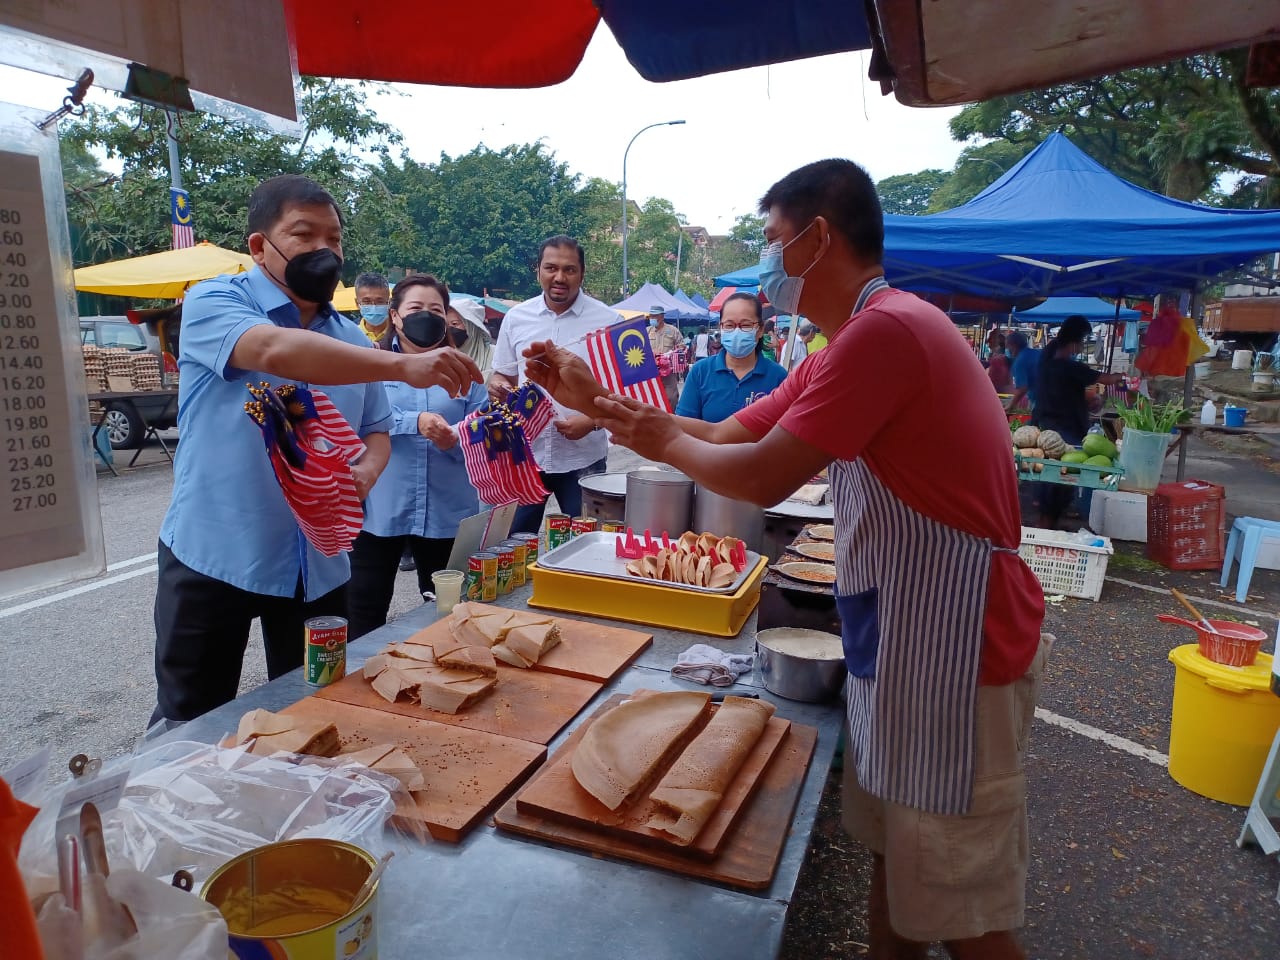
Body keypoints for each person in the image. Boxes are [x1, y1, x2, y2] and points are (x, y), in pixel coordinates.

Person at [524, 158, 1047, 960]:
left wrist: (651, 435)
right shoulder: (841, 345)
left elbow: (764, 473)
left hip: (957, 645)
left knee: (962, 905)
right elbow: (730, 434)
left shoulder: (888, 333)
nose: (766, 264)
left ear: (817, 239)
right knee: (898, 859)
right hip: (901, 634)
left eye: (772, 241)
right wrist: (590, 395)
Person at [153, 175, 482, 723]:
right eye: (304, 235)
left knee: (313, 709)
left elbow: (376, 428)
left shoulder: (353, 342)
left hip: (321, 561)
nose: (324, 251)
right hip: (215, 553)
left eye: (335, 239)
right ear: (260, 246)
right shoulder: (215, 301)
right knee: (192, 718)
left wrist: (368, 472)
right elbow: (274, 349)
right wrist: (403, 362)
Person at [347, 275, 489, 639]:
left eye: (435, 310)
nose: (425, 317)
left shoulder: (466, 374)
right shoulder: (371, 366)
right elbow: (354, 421)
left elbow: (484, 436)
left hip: (447, 512)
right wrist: (416, 422)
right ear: (395, 316)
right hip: (380, 510)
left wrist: (453, 441)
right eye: (415, 309)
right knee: (363, 608)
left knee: (449, 611)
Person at [488, 235, 615, 535]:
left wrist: (592, 420)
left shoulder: (609, 321)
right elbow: (503, 375)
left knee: (590, 544)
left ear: (582, 273)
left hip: (583, 457)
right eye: (551, 268)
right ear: (539, 271)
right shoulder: (516, 318)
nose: (559, 277)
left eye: (569, 269)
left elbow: (622, 393)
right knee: (514, 545)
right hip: (526, 455)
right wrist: (497, 385)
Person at [1033, 314, 1127, 529]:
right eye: (1083, 340)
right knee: (1058, 483)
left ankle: (1046, 525)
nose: (1083, 345)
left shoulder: (1048, 359)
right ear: (1076, 341)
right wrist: (1122, 377)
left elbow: (1065, 392)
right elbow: (1106, 379)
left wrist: (1089, 401)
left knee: (1052, 483)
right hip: (1064, 430)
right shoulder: (1067, 366)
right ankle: (1046, 528)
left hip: (1047, 425)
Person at [675, 292, 788, 423]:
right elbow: (684, 425)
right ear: (721, 327)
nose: (736, 332)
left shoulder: (778, 377)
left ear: (760, 329)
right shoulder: (700, 372)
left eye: (746, 325)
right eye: (729, 325)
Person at [646, 305, 685, 408]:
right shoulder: (647, 331)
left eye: (655, 316)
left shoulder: (672, 330)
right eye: (651, 316)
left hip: (668, 371)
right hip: (651, 371)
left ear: (662, 317)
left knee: (671, 397)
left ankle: (671, 416)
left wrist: (673, 354)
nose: (652, 318)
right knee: (651, 397)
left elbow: (682, 347)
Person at [354, 271, 392, 346]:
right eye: (367, 301)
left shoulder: (400, 334)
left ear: (389, 303)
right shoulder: (350, 334)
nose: (374, 307)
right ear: (357, 303)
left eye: (380, 301)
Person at [1005, 331, 1040, 411]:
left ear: (1014, 345)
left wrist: (1010, 406)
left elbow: (1022, 389)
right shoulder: (1036, 353)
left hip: (1041, 401)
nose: (1007, 349)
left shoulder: (1020, 361)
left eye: (1007, 346)